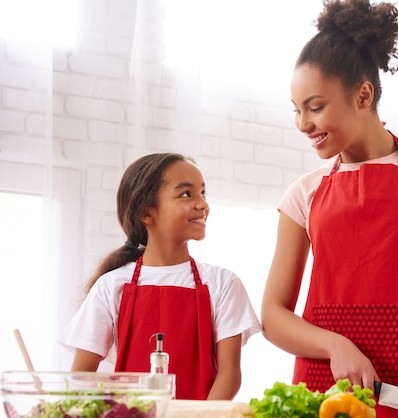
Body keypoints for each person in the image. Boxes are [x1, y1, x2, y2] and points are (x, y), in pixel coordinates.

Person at [260, 0, 398, 417]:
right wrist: (335, 345)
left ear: (363, 94)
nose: (302, 124)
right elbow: (273, 315)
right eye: (297, 110)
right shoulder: (303, 194)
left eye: (315, 107)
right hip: (325, 393)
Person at [60, 153, 261, 400]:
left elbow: (229, 374)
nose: (203, 204)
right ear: (146, 214)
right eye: (186, 194)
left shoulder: (224, 284)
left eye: (203, 193)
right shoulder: (111, 286)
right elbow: (82, 377)